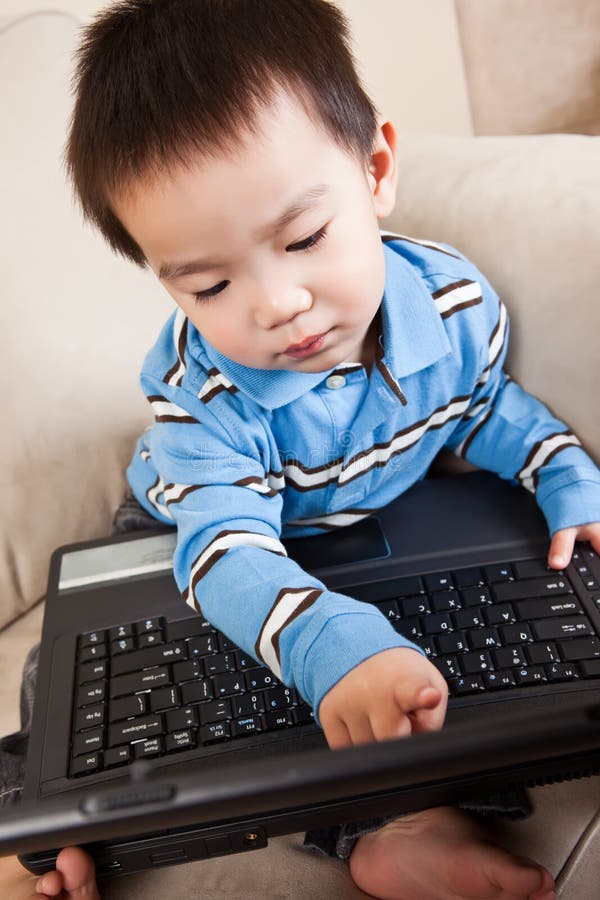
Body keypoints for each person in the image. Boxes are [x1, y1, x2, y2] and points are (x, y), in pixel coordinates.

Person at [3, 0, 600, 897]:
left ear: (376, 170)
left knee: (431, 670)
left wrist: (565, 475)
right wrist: (327, 641)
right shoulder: (202, 401)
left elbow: (483, 409)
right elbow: (227, 552)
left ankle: (405, 822)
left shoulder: (454, 305)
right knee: (95, 683)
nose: (278, 305)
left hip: (364, 524)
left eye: (306, 238)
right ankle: (49, 840)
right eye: (210, 285)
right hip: (206, 526)